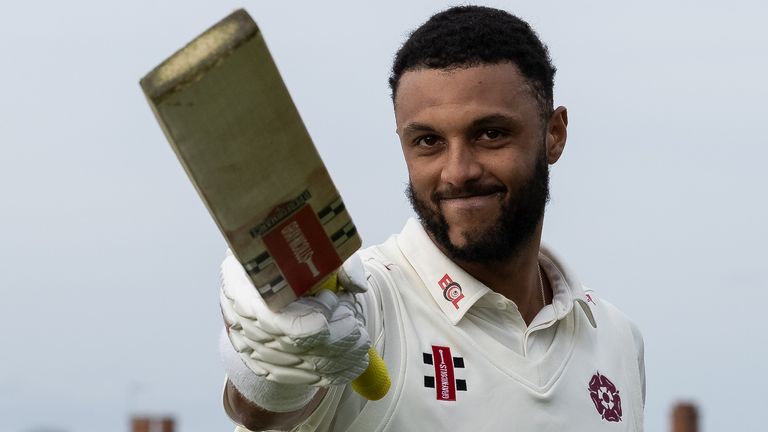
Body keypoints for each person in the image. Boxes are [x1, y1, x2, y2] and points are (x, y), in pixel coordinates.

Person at [219, 5, 645, 431]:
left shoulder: (616, 339)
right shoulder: (366, 306)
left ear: (555, 134)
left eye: (490, 134)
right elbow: (262, 413)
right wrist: (265, 360)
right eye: (428, 141)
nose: (458, 170)